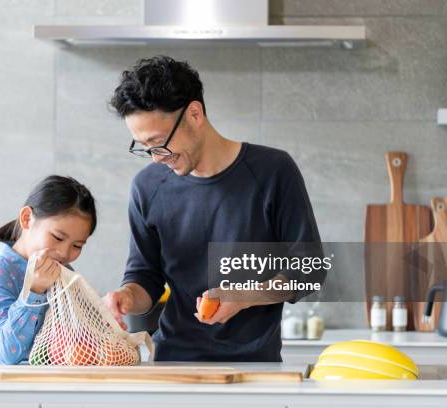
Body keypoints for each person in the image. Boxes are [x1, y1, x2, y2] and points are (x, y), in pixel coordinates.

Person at [103, 55, 325, 362]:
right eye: (144, 148)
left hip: (256, 367)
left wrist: (243, 297)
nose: (156, 157)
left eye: (159, 142)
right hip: (173, 363)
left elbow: (309, 270)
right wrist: (126, 297)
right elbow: (145, 277)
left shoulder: (272, 171)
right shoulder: (147, 186)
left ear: (195, 114)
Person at [0, 175, 97, 364]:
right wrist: (35, 291)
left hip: (61, 385)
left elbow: (79, 338)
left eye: (77, 245)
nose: (64, 253)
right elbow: (6, 353)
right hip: (12, 389)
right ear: (27, 219)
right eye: (57, 237)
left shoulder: (65, 272)